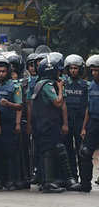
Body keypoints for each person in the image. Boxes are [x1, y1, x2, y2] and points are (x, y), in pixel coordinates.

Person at [30, 53, 80, 193]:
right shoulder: (46, 85)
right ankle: (48, 183)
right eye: (58, 70)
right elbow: (58, 102)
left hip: (49, 124)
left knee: (56, 150)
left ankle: (63, 180)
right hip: (46, 125)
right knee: (49, 151)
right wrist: (61, 88)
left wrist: (64, 123)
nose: (60, 73)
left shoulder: (46, 84)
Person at [0, 57, 23, 191]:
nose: (1, 74)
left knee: (10, 153)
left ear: (8, 72)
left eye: (3, 71)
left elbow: (19, 106)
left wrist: (17, 123)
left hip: (9, 124)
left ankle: (11, 180)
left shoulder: (15, 86)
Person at [62, 54, 88, 182]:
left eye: (76, 68)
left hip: (80, 121)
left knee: (81, 150)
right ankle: (72, 176)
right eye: (71, 68)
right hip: (67, 121)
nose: (73, 70)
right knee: (68, 149)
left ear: (80, 69)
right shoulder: (64, 84)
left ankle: (84, 178)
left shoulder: (85, 85)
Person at [76, 55, 99, 192]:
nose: (94, 73)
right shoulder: (91, 87)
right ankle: (85, 183)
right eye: (93, 70)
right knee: (85, 152)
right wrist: (84, 127)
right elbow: (88, 108)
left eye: (97, 70)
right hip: (93, 122)